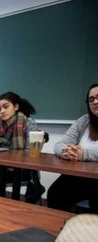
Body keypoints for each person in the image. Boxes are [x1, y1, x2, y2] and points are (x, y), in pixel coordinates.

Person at [47, 83, 98, 212]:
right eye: (91, 99)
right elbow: (59, 144)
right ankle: (60, 229)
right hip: (80, 175)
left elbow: (84, 153)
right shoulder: (84, 121)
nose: (95, 101)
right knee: (55, 194)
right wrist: (66, 151)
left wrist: (83, 154)